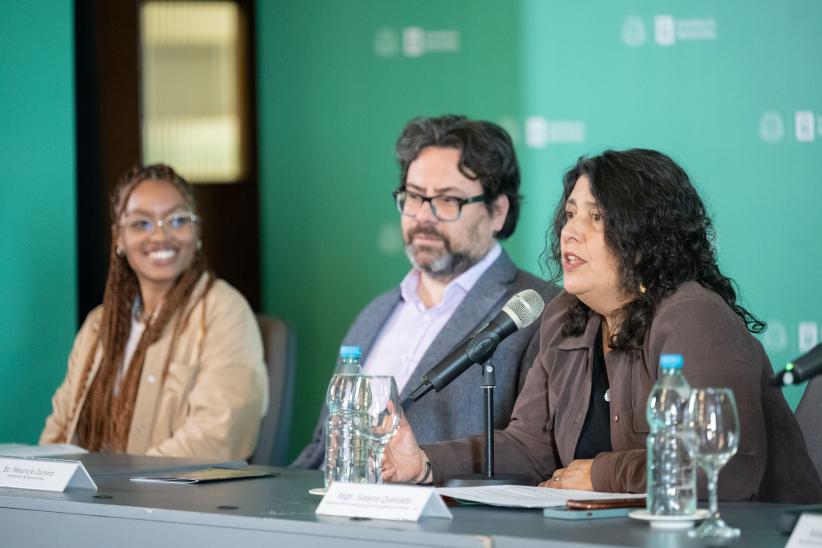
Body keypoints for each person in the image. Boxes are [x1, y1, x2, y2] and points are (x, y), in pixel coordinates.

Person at [382, 148, 822, 503]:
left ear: (644, 235)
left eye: (596, 217)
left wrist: (601, 473)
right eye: (570, 215)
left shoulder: (692, 314)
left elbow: (726, 468)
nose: (570, 232)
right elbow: (530, 448)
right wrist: (423, 462)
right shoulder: (563, 318)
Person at [292, 115, 557, 468]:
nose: (423, 216)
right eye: (414, 197)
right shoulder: (377, 312)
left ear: (497, 212)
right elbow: (322, 448)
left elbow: (531, 454)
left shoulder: (539, 311)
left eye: (448, 200)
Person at [41, 164, 268, 460]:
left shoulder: (224, 311)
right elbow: (61, 426)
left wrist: (127, 489)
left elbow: (217, 435)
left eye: (177, 220)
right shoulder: (100, 325)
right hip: (97, 500)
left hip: (175, 503)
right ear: (119, 239)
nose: (161, 237)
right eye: (141, 224)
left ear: (197, 230)